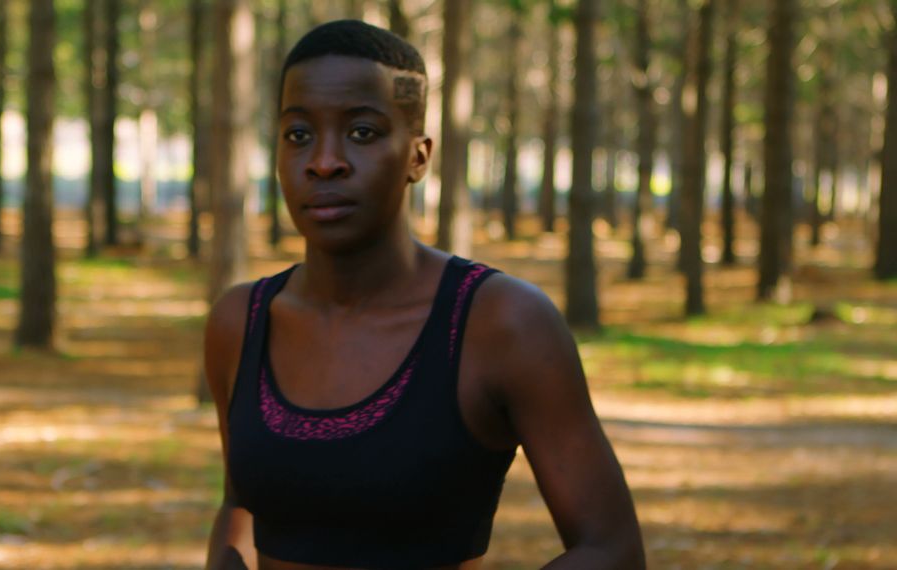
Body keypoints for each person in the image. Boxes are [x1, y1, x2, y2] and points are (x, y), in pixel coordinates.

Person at [203, 20, 644, 570]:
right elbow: (240, 504)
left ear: (418, 156)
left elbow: (611, 548)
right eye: (299, 135)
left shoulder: (501, 323)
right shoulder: (240, 322)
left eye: (362, 132)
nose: (324, 161)